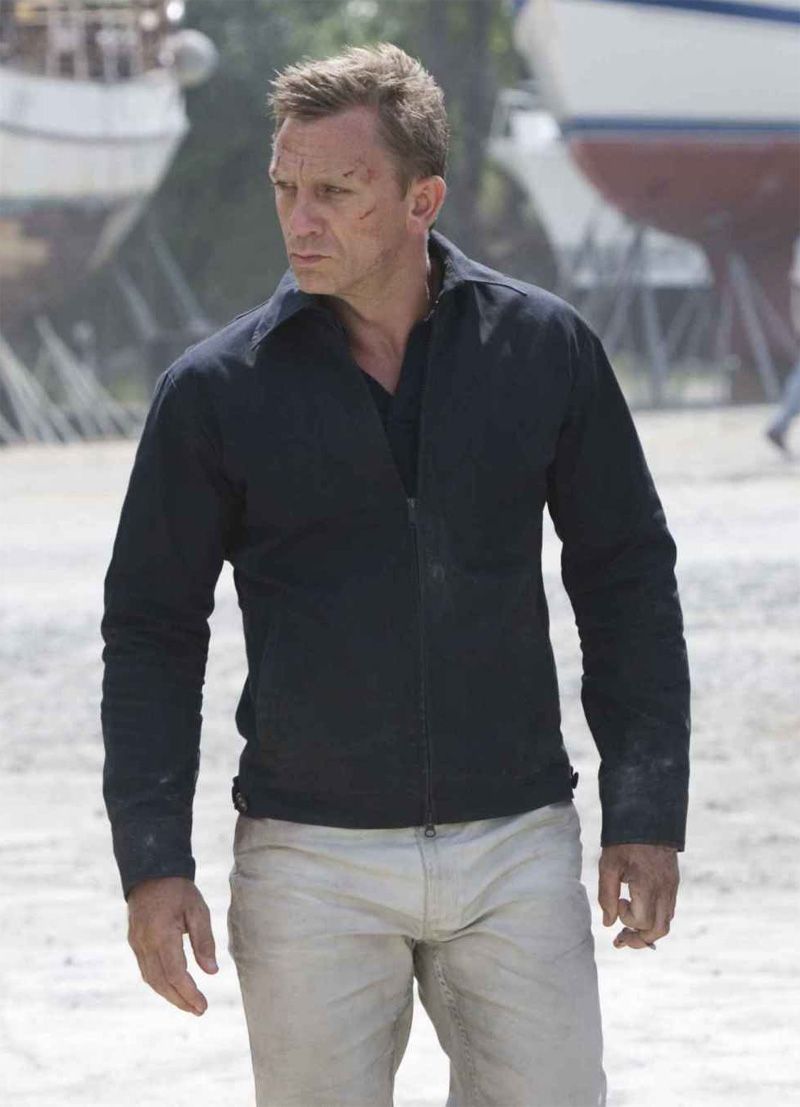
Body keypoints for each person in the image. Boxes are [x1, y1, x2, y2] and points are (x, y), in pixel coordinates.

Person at [100, 43, 690, 1107]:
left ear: (422, 199)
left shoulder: (543, 350)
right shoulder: (215, 392)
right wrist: (153, 862)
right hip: (307, 860)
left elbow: (627, 583)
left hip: (514, 842)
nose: (301, 219)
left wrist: (645, 812)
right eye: (285, 188)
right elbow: (151, 630)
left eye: (336, 191)